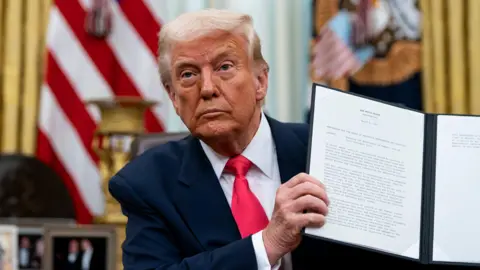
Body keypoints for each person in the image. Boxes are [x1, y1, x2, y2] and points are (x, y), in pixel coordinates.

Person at [109, 8, 451, 270]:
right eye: (188, 75)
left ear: (261, 81)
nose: (208, 88)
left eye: (225, 67)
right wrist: (267, 244)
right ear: (172, 96)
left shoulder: (335, 151)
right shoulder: (146, 183)